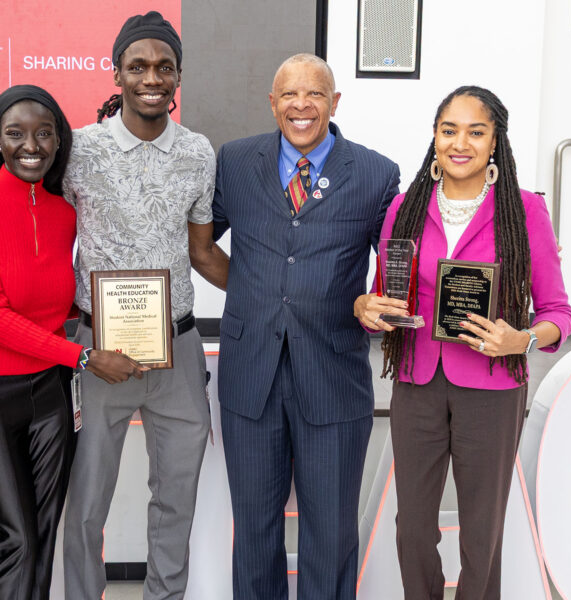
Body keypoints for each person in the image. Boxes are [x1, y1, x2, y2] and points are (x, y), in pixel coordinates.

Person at [354, 86, 571, 599]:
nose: (460, 143)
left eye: (476, 132)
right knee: (412, 530)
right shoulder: (405, 208)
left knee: (481, 533)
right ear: (434, 136)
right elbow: (385, 298)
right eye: (449, 130)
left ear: (495, 141)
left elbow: (558, 313)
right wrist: (367, 309)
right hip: (418, 382)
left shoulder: (524, 211)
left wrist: (521, 339)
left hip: (492, 388)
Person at [0, 85, 141, 600]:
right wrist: (84, 355)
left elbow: (57, 301)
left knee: (45, 532)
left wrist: (127, 317)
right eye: (16, 134)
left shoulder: (63, 212)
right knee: (18, 538)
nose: (31, 145)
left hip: (52, 392)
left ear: (58, 142)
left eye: (44, 134)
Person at [212, 53, 400, 599]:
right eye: (290, 95)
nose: (302, 105)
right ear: (272, 103)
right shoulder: (235, 161)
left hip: (334, 377)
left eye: (315, 94)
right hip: (250, 376)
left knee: (332, 532)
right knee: (254, 531)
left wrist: (373, 301)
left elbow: (398, 266)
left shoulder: (375, 173)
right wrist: (253, 290)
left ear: (334, 102)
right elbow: (199, 241)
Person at [62, 11, 229, 600]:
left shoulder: (199, 152)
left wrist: (271, 297)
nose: (151, 78)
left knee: (176, 498)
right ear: (117, 73)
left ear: (178, 75)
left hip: (177, 349)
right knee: (86, 501)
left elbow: (202, 250)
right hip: (97, 351)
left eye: (164, 67)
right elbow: (48, 238)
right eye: (138, 66)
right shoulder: (79, 149)